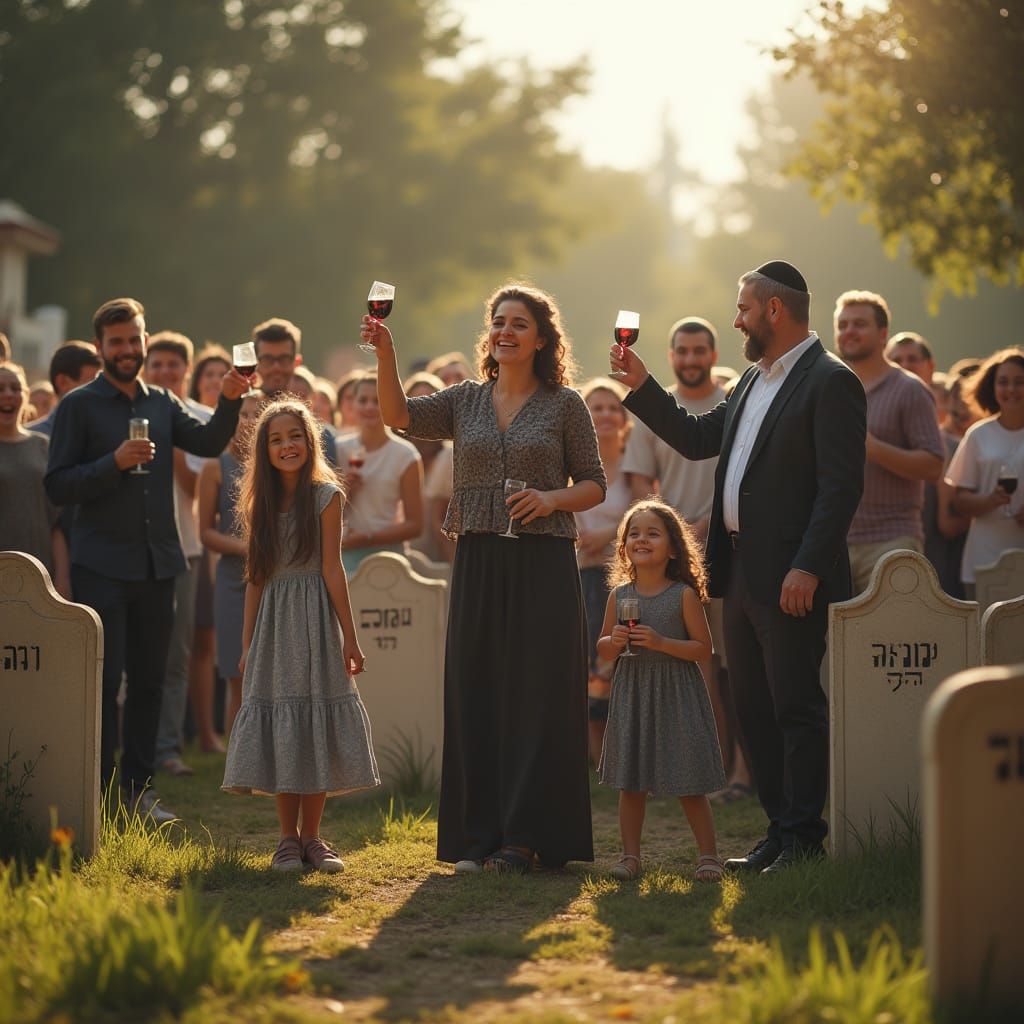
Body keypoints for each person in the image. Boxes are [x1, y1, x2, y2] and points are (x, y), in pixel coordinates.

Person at [611, 260, 866, 873]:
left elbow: (840, 488)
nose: (736, 318)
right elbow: (699, 439)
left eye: (743, 307)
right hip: (743, 571)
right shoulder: (752, 380)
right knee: (752, 706)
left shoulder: (831, 382)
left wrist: (808, 566)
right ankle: (779, 831)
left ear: (773, 311)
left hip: (792, 579)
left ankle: (805, 838)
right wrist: (644, 385)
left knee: (794, 707)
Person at [364, 281, 605, 874]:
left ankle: (525, 839)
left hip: (543, 561)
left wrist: (550, 499)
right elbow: (398, 416)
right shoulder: (463, 400)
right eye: (498, 321)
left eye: (519, 323)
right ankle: (479, 838)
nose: (505, 331)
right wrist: (387, 355)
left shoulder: (564, 404)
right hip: (475, 557)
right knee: (477, 691)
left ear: (543, 337)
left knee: (536, 697)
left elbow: (594, 484)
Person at [45, 297, 246, 823]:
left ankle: (137, 789)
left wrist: (227, 402)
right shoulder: (78, 407)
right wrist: (111, 464)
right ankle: (101, 788)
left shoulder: (160, 401)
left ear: (143, 339)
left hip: (160, 564)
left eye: (135, 340)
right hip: (102, 566)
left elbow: (207, 441)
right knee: (108, 680)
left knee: (152, 680)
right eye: (117, 343)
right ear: (100, 348)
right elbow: (59, 486)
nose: (129, 350)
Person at [221, 399, 379, 872]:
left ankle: (313, 837)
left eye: (295, 437)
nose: (286, 446)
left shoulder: (325, 496)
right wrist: (247, 644)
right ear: (264, 450)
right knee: (285, 723)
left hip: (315, 619)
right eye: (276, 439)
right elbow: (256, 577)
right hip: (273, 623)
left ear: (310, 443)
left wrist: (350, 638)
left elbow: (333, 569)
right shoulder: (260, 502)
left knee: (314, 721)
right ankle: (286, 839)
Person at [620, 316, 752, 802]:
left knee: (733, 669)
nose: (692, 359)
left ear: (713, 355)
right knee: (692, 673)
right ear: (671, 355)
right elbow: (639, 488)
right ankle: (704, 773)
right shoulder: (653, 412)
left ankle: (743, 773)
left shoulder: (734, 403)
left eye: (700, 351)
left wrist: (703, 529)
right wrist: (666, 539)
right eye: (683, 351)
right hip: (673, 564)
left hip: (726, 552)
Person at [597, 499, 726, 881]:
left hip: (676, 694)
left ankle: (708, 856)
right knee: (631, 781)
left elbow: (704, 649)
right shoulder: (619, 596)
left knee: (690, 781)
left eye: (653, 533)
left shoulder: (682, 595)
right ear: (623, 548)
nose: (642, 539)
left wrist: (660, 642)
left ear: (673, 548)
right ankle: (630, 857)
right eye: (634, 533)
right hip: (633, 693)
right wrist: (615, 640)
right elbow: (602, 649)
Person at [834, 291, 943, 592]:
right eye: (842, 325)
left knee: (885, 637)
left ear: (883, 334)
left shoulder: (910, 390)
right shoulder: (830, 388)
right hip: (833, 543)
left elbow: (934, 466)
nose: (849, 331)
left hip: (891, 540)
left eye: (859, 324)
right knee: (836, 639)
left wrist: (874, 448)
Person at [143, 331, 213, 776]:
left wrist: (172, 445)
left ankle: (167, 749)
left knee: (176, 653)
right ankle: (127, 746)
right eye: (158, 365)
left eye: (174, 365)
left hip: (186, 548)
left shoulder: (204, 421)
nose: (166, 372)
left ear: (187, 369)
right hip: (134, 548)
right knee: (135, 654)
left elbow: (196, 493)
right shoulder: (132, 413)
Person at [575, 377, 632, 764]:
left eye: (613, 407)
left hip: (623, 578)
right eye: (597, 408)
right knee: (588, 663)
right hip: (580, 575)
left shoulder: (634, 467)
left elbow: (647, 511)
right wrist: (585, 539)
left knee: (618, 662)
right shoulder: (573, 465)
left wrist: (609, 535)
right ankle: (595, 760)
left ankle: (624, 755)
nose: (606, 414)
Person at [199, 393, 261, 737]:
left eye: (256, 414)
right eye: (241, 414)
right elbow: (206, 531)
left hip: (274, 577)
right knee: (237, 668)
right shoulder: (215, 467)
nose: (248, 421)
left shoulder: (276, 464)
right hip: (232, 578)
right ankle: (238, 761)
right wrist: (247, 547)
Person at [945, 347, 1024, 598]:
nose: (1011, 389)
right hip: (984, 560)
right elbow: (959, 501)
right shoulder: (978, 435)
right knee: (986, 634)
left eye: (1019, 382)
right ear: (992, 387)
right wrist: (990, 500)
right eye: (1003, 382)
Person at [335, 372, 424, 574]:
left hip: (389, 558)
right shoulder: (338, 449)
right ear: (352, 406)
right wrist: (345, 492)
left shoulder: (405, 455)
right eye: (363, 400)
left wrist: (368, 538)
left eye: (377, 400)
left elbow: (415, 525)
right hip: (346, 556)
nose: (369, 407)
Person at [0, 361, 69, 593]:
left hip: (41, 579)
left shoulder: (43, 446)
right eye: (0, 389)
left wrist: (62, 580)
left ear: (25, 395)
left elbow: (56, 523)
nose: (8, 395)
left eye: (15, 388)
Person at [250, 317, 337, 466]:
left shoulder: (320, 435)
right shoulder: (241, 423)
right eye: (268, 359)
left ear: (297, 362)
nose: (276, 367)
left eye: (283, 359)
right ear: (255, 363)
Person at [27, 340, 102, 437]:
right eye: (91, 384)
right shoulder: (30, 439)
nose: (99, 391)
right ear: (62, 382)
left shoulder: (108, 435)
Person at [189, 345, 232, 410]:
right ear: (197, 381)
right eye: (209, 374)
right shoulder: (183, 416)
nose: (216, 381)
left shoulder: (240, 418)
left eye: (222, 375)